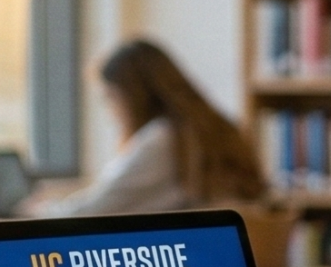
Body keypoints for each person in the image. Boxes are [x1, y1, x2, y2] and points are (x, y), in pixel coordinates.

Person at [43, 39, 266, 215]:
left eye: (111, 98)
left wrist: (35, 211)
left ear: (134, 96)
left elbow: (95, 211)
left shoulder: (161, 139)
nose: (110, 112)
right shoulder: (214, 129)